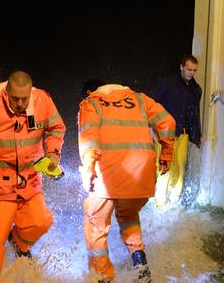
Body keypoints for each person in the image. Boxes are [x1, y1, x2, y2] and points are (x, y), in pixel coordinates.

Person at [0, 70, 66, 283]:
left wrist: (53, 152)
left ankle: (17, 242)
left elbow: (56, 128)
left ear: (31, 93)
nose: (19, 103)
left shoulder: (42, 100)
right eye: (14, 98)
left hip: (29, 183)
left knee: (41, 222)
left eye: (24, 98)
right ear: (6, 92)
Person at [78, 79, 176, 282]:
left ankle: (103, 277)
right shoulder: (140, 99)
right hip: (141, 177)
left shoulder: (91, 103)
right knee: (128, 215)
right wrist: (166, 154)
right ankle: (140, 264)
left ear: (90, 92)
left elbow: (90, 138)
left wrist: (88, 170)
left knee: (95, 223)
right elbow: (168, 122)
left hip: (108, 177)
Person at [152, 54, 203, 205]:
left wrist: (198, 134)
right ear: (181, 67)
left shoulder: (195, 89)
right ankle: (159, 204)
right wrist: (151, 127)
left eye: (194, 70)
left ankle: (173, 202)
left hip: (183, 133)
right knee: (164, 167)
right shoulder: (168, 83)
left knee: (179, 169)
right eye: (189, 69)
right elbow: (153, 105)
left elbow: (194, 113)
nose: (191, 73)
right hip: (165, 133)